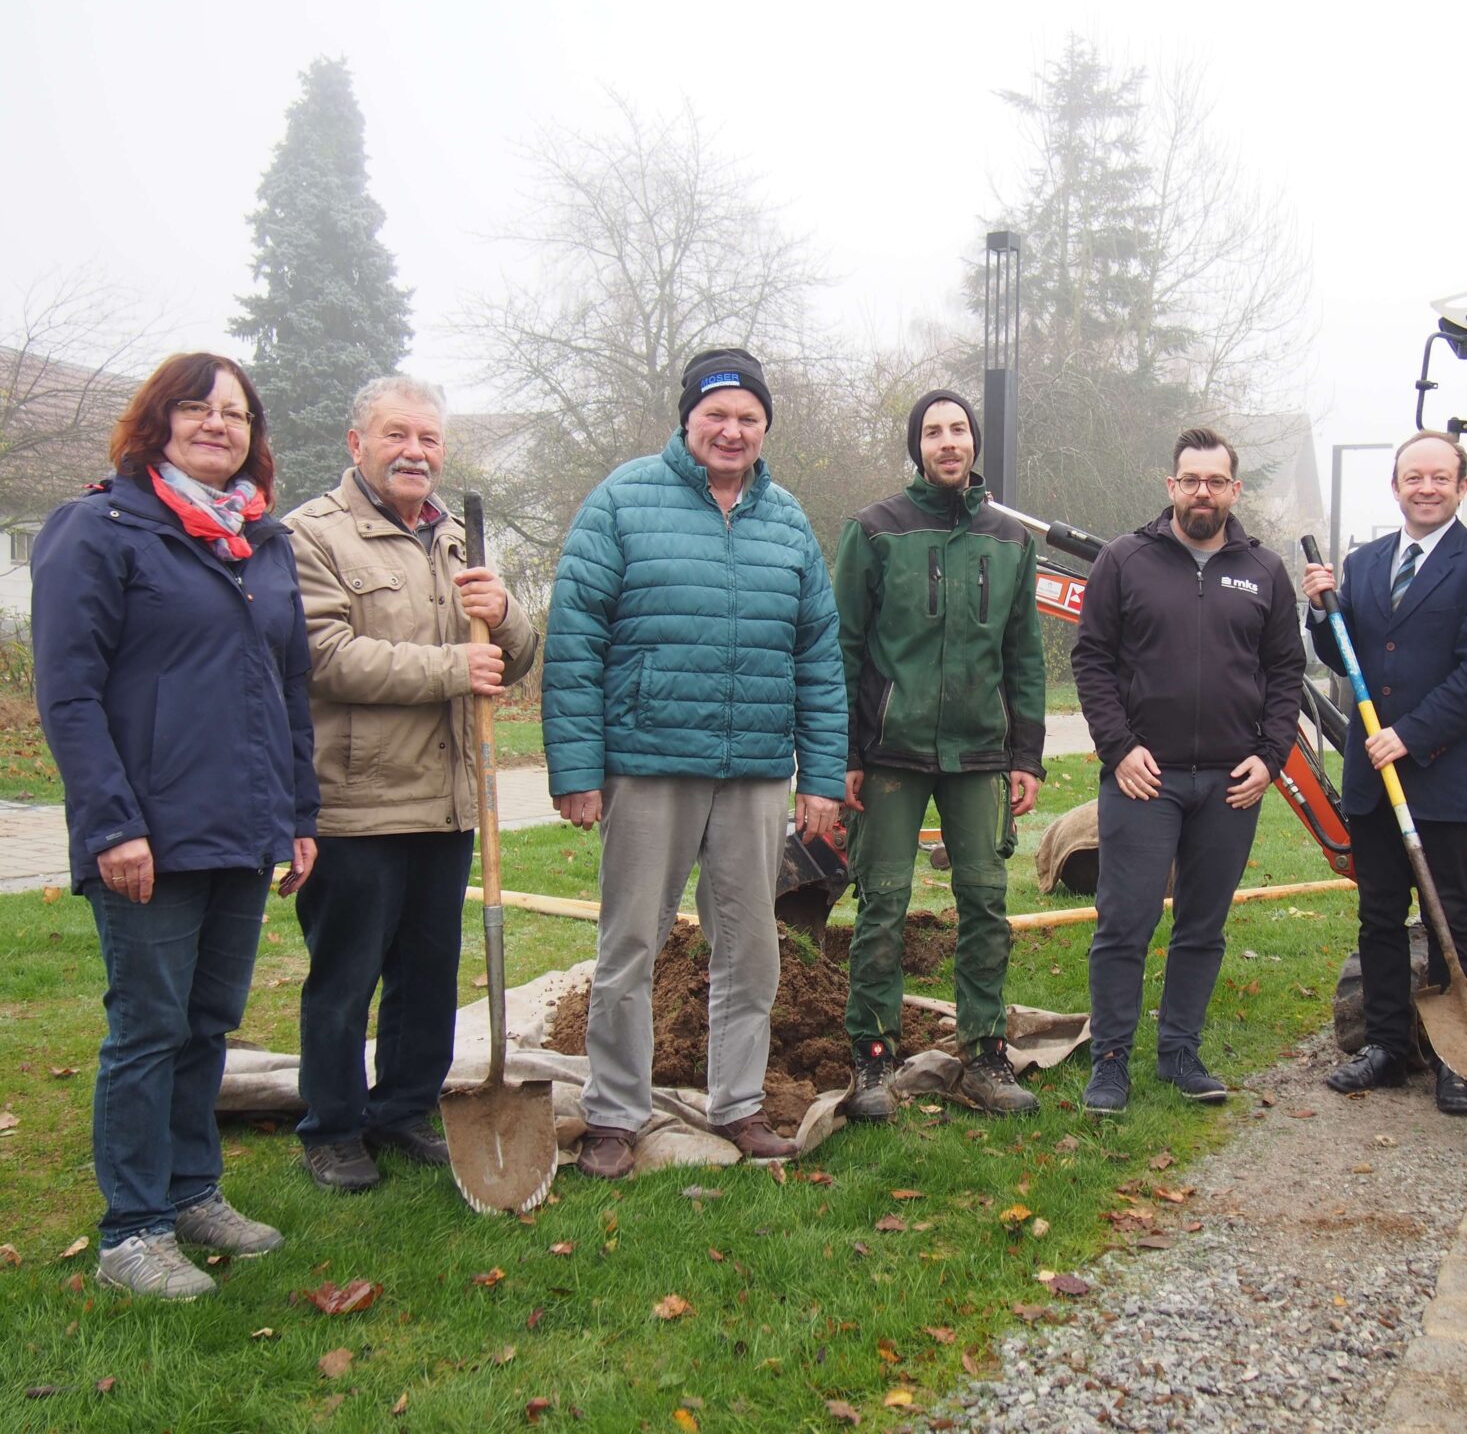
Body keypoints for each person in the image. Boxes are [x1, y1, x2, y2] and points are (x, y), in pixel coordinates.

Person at [33, 353, 320, 1298]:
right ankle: (133, 1231)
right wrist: (112, 824)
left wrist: (297, 812)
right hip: (147, 830)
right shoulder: (99, 527)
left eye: (235, 413)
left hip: (242, 827)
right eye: (197, 408)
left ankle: (193, 1190)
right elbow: (68, 694)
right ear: (156, 420)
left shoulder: (260, 544)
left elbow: (286, 688)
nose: (218, 424)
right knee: (148, 1025)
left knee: (208, 1023)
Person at [543, 347, 846, 1174]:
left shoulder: (786, 522)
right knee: (629, 947)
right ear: (687, 420)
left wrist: (821, 776)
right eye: (717, 414)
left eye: (749, 417)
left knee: (751, 949)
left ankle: (739, 1104)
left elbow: (819, 656)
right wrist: (576, 768)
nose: (732, 429)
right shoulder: (622, 501)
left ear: (765, 429)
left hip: (752, 775)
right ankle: (613, 1112)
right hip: (648, 766)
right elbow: (576, 641)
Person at [286, 375, 539, 1191]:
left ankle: (403, 1108)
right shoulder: (311, 537)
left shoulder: (457, 540)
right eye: (397, 435)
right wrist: (452, 667)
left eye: (428, 439)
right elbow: (321, 657)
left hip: (447, 799)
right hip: (356, 799)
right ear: (356, 444)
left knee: (428, 972)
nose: (415, 452)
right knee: (346, 975)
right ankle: (330, 1127)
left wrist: (504, 614)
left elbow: (517, 655)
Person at [1071, 427, 1306, 1115]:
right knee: (1125, 922)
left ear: (1234, 490)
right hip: (1145, 779)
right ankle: (1111, 1060)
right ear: (1171, 486)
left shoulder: (1263, 570)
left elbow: (1286, 669)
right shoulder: (1124, 561)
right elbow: (1092, 661)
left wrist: (1270, 757)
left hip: (1231, 786)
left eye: (1216, 481)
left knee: (1203, 926)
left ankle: (1179, 1052)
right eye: (1190, 480)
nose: (1203, 491)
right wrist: (1118, 748)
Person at [832, 390, 1047, 1121]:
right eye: (933, 431)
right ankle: (871, 1060)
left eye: (958, 430)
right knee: (883, 904)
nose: (947, 442)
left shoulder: (1012, 541)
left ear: (974, 443)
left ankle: (985, 1056)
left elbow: (1025, 655)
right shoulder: (874, 531)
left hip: (982, 754)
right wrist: (844, 754)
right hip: (889, 753)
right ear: (917, 447)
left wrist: (1028, 755)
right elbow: (844, 649)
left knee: (985, 900)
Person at [1303, 431, 1467, 1115]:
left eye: (1439, 478)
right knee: (1378, 919)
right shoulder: (1365, 564)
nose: (1425, 488)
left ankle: (1458, 1060)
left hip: (1439, 776)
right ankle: (1388, 1046)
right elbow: (1348, 659)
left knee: (1447, 919)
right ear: (1396, 486)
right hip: (1374, 781)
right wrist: (1320, 611)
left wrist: (1409, 736)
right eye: (1412, 477)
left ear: (1461, 487)